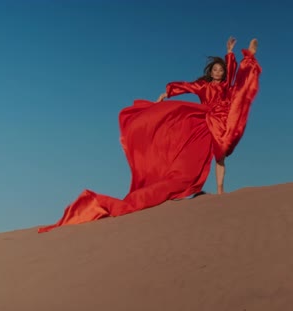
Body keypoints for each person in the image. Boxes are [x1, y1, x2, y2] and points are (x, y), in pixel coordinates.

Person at [38, 36, 262, 233]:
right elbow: (188, 87)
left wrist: (233, 53)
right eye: (215, 70)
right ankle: (176, 183)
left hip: (222, 120)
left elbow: (234, 78)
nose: (218, 72)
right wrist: (168, 92)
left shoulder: (225, 85)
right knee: (195, 159)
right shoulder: (203, 86)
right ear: (210, 72)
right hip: (203, 121)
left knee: (220, 153)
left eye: (220, 70)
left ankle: (221, 190)